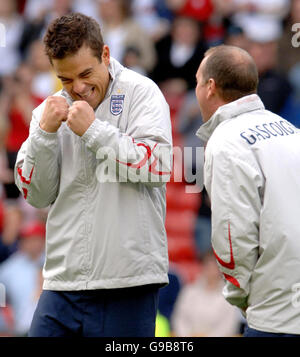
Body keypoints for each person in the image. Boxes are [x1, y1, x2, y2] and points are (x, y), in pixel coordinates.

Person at [14, 12, 172, 337]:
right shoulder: (46, 112)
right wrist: (43, 135)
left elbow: (158, 166)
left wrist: (93, 132)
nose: (79, 88)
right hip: (62, 281)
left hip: (128, 282)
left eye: (86, 74)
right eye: (66, 80)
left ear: (105, 54)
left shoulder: (142, 92)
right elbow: (36, 194)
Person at [195, 45, 300, 337]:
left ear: (210, 88)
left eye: (197, 81)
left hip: (274, 317)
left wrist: (242, 300)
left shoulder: (225, 142)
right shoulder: (289, 129)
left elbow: (233, 238)